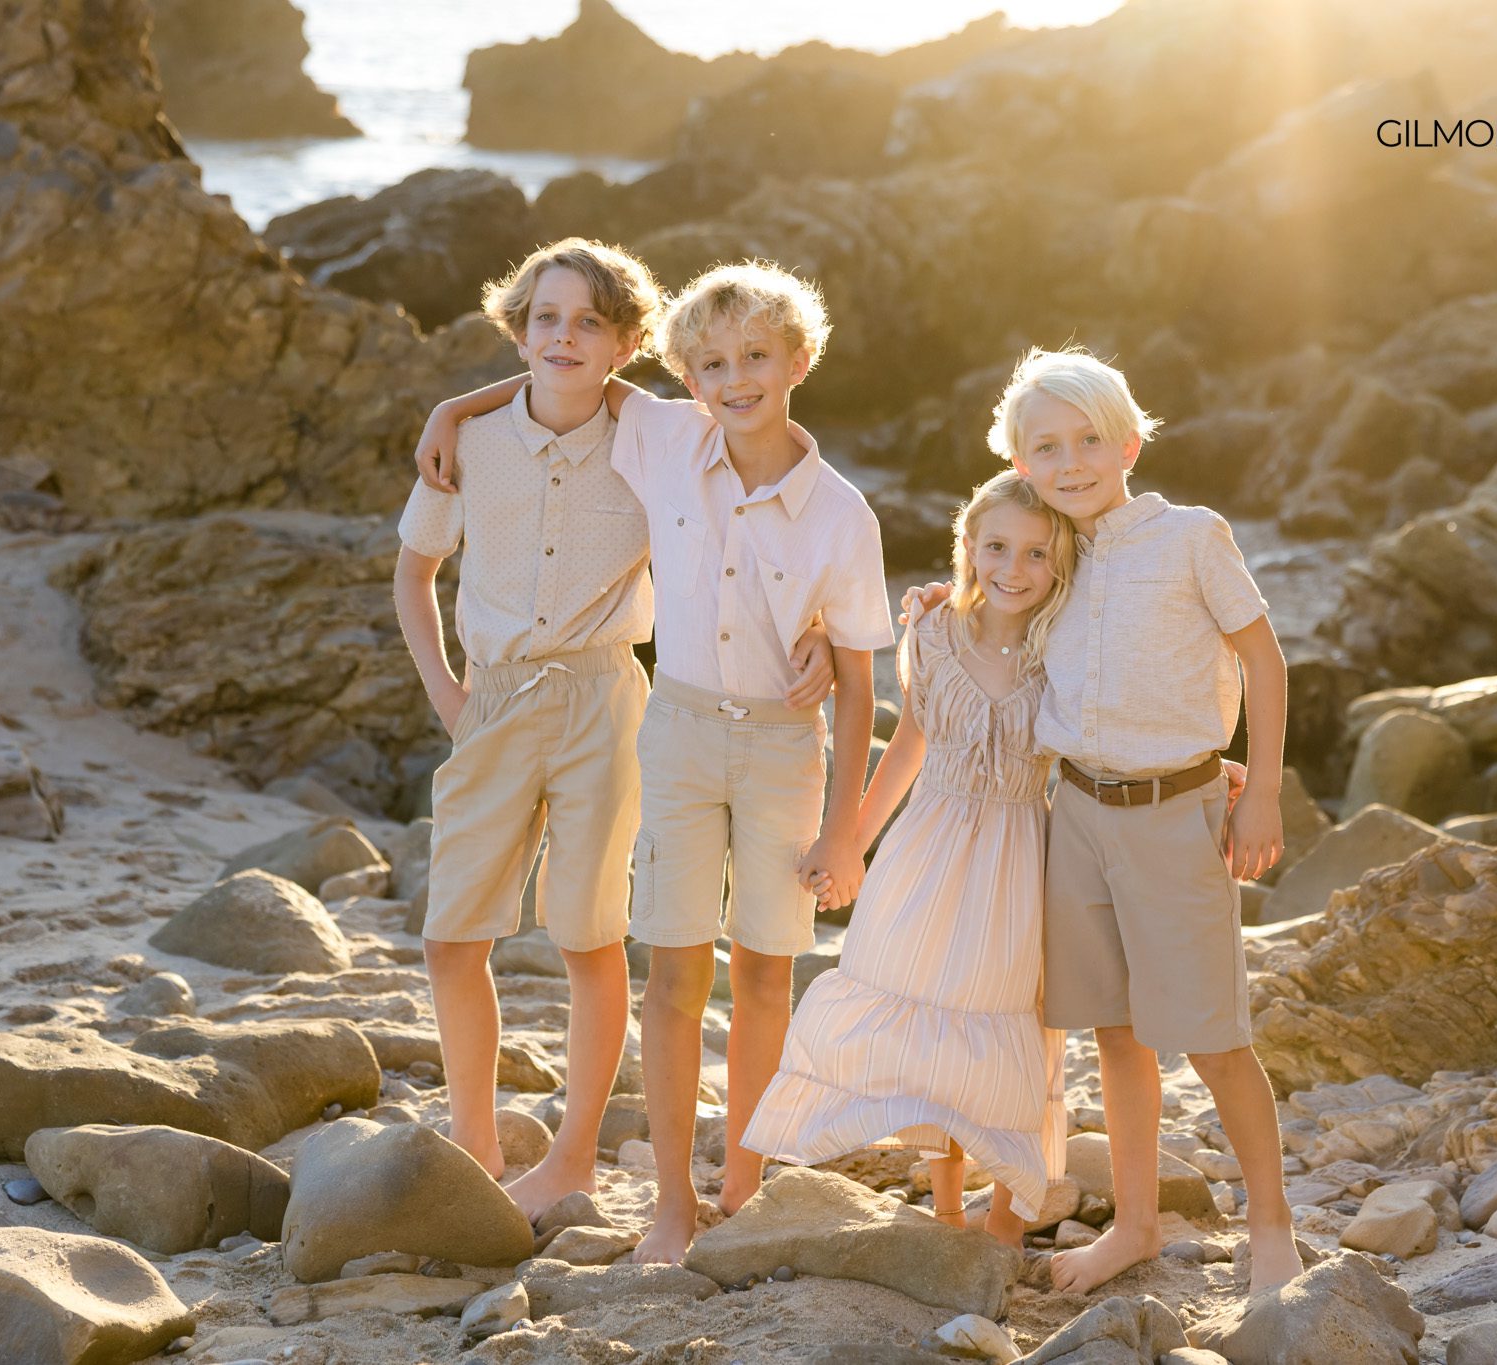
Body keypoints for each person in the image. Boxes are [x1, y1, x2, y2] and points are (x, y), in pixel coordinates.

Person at [424, 260, 891, 1266]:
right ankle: (672, 1205)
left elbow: (858, 680)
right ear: (685, 374)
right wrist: (457, 405)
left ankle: (745, 1181)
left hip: (780, 748)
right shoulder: (667, 438)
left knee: (766, 978)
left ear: (799, 362)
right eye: (712, 363)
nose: (734, 379)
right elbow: (569, 375)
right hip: (673, 732)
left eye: (756, 358)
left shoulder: (840, 511)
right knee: (672, 975)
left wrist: (843, 827)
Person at [907, 346, 1299, 1293]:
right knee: (1115, 1035)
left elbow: (1265, 660)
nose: (1072, 460)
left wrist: (1268, 793)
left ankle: (1275, 1226)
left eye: (1089, 440)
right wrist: (940, 603)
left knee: (1214, 1035)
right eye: (1048, 446)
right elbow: (997, 607)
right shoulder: (1055, 553)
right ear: (1019, 460)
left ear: (1128, 442)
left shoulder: (1192, 534)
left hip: (1179, 812)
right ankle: (1133, 1226)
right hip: (1075, 813)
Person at [744, 471, 1072, 1249]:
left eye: (1035, 553)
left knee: (1007, 1023)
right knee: (924, 1017)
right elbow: (910, 746)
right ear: (968, 545)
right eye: (996, 546)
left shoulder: (1063, 645)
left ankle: (1003, 1221)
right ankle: (948, 1207)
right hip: (928, 846)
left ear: (1059, 565)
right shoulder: (931, 632)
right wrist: (851, 835)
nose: (1013, 568)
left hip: (1020, 853)